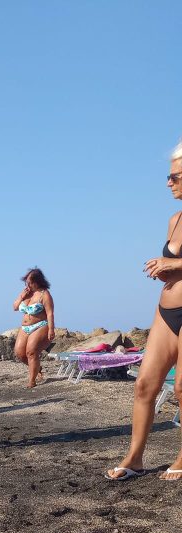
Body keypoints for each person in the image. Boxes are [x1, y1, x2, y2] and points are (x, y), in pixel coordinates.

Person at [106, 141, 182, 481]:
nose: (168, 182)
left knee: (181, 389)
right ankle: (135, 457)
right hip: (166, 311)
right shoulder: (174, 220)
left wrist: (172, 262)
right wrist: (165, 270)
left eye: (174, 176)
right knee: (144, 385)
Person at [13, 268, 56, 388]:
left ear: (37, 282)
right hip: (25, 327)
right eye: (26, 282)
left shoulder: (45, 295)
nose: (27, 285)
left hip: (40, 325)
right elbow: (15, 307)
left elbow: (50, 313)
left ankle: (32, 381)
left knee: (31, 352)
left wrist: (51, 329)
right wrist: (22, 296)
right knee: (20, 353)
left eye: (30, 282)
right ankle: (37, 368)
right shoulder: (26, 293)